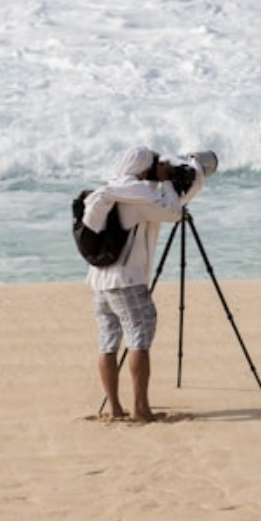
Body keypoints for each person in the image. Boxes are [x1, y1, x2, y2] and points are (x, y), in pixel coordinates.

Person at [80, 147, 206, 422]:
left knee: (108, 342)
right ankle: (141, 409)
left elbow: (160, 206)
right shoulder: (139, 197)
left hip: (100, 280)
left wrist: (161, 179)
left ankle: (114, 408)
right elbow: (172, 213)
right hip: (128, 281)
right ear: (144, 168)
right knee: (139, 340)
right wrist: (177, 181)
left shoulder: (113, 190)